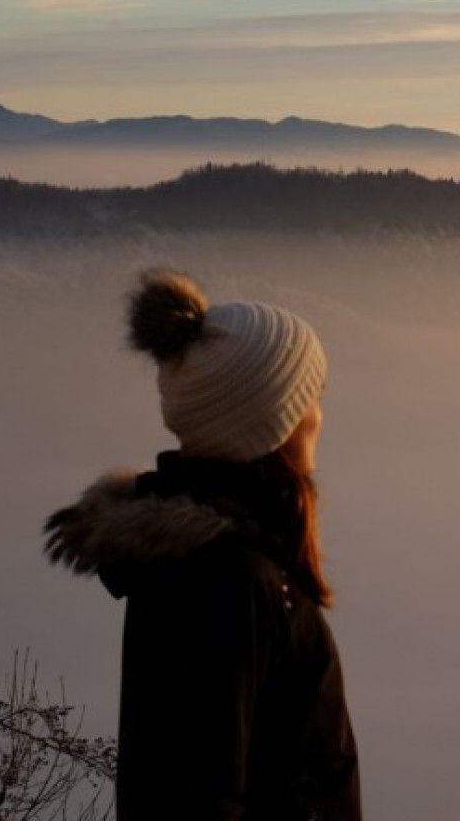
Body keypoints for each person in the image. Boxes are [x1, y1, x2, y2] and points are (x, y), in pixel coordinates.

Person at [45, 269, 361, 820]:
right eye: (311, 396)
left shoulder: (226, 565)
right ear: (272, 423)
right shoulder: (231, 583)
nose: (320, 414)